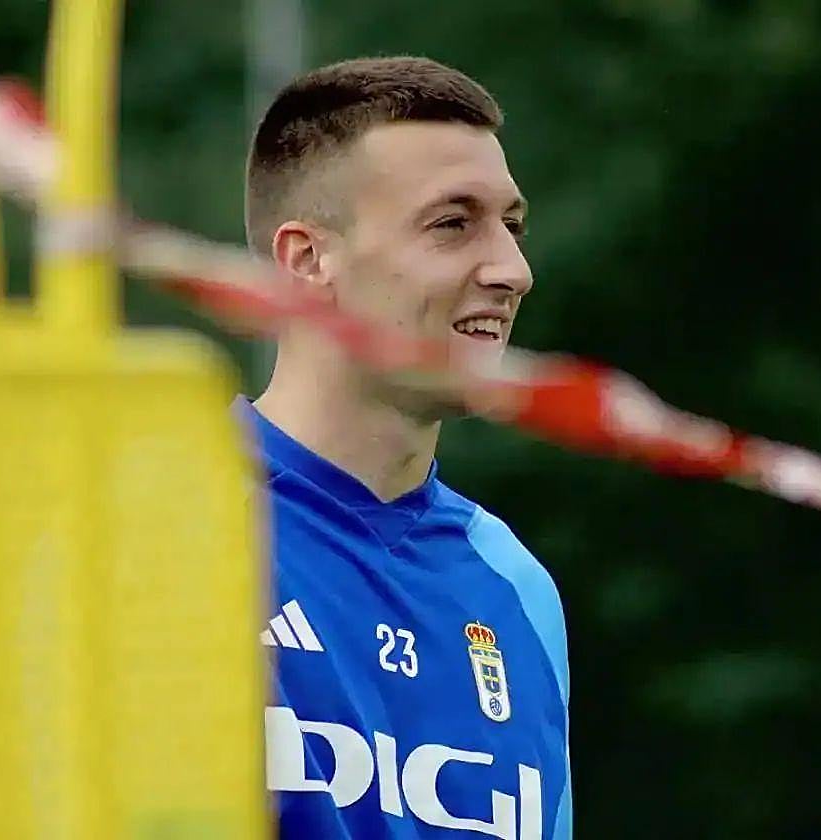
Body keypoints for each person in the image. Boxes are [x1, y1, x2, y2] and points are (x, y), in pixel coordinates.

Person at [237, 56, 571, 839]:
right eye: (453, 223)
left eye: (513, 227)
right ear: (308, 260)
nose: (513, 270)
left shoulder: (516, 587)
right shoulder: (152, 525)